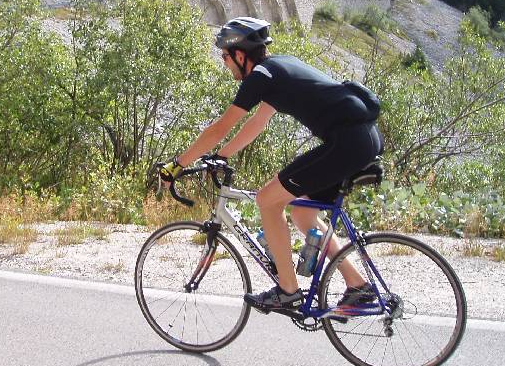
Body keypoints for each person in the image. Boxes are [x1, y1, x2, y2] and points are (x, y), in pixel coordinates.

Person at [160, 17, 383, 312]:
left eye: (225, 57)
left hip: (347, 143)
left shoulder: (260, 77)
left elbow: (220, 127)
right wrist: (222, 156)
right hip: (363, 138)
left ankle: (288, 291)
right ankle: (358, 286)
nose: (225, 63)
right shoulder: (278, 67)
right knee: (303, 213)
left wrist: (176, 165)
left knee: (267, 200)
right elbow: (258, 122)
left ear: (240, 55)